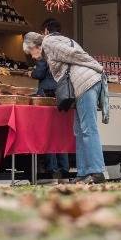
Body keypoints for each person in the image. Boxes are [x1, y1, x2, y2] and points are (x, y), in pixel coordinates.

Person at [23, 29, 111, 183]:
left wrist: (97, 66)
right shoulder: (54, 41)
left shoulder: (49, 43)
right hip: (84, 84)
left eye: (30, 52)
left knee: (87, 128)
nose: (31, 56)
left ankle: (96, 171)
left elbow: (74, 54)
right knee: (79, 130)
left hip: (85, 83)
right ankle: (83, 172)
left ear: (34, 46)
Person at [31, 18, 69, 180]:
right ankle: (65, 167)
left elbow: (39, 73)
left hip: (46, 93)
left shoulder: (47, 45)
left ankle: (52, 168)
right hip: (62, 93)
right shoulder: (66, 44)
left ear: (46, 30)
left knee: (48, 131)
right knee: (61, 131)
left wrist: (32, 71)